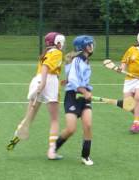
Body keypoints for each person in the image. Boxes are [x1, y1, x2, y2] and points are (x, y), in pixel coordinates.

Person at [6, 32, 66, 159]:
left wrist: (42, 83)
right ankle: (51, 151)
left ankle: (17, 136)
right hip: (48, 81)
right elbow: (47, 67)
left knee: (29, 116)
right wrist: (44, 83)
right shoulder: (57, 52)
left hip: (36, 81)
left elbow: (45, 67)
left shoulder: (45, 53)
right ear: (58, 43)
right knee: (54, 119)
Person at [54, 35, 95, 166]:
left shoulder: (85, 61)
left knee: (88, 126)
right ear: (82, 47)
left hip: (84, 97)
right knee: (71, 129)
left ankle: (85, 156)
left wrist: (86, 92)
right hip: (73, 96)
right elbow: (74, 79)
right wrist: (84, 91)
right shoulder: (77, 60)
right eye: (89, 44)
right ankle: (53, 148)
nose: (91, 46)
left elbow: (73, 77)